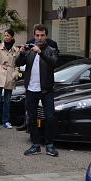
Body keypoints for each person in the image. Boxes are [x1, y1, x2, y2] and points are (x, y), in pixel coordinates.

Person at [16, 24, 60, 157]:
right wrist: (22, 53)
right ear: (34, 35)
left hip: (46, 89)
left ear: (46, 36)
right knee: (32, 118)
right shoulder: (30, 48)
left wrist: (40, 52)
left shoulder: (51, 48)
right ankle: (35, 145)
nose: (39, 38)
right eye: (37, 35)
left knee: (50, 117)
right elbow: (19, 63)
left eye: (42, 35)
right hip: (31, 88)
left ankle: (50, 145)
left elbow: (53, 63)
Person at [0, 29, 20, 129]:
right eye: (5, 35)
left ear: (12, 37)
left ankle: (6, 121)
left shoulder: (16, 50)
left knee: (7, 101)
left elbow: (17, 64)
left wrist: (15, 74)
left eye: (8, 35)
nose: (6, 37)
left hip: (10, 76)